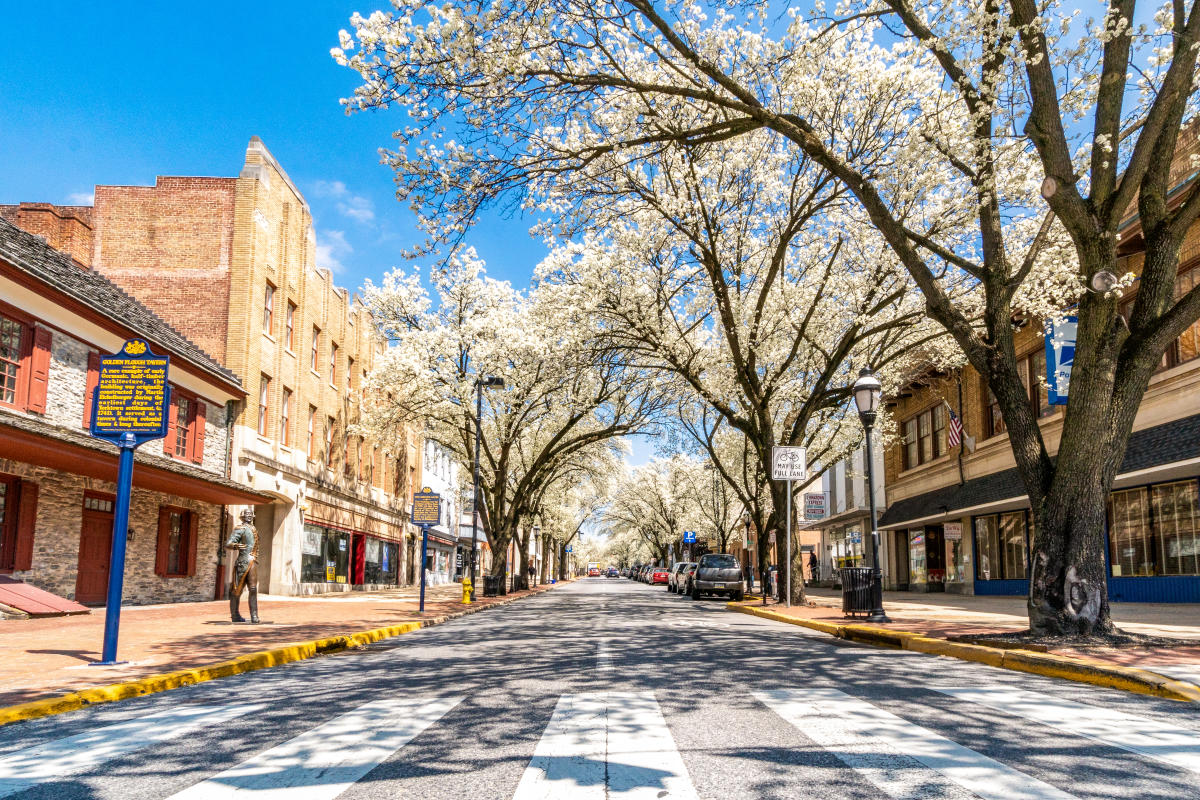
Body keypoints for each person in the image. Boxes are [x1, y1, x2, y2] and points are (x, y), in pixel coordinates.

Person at [226, 508, 260, 624]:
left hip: (253, 561)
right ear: (242, 516)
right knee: (237, 590)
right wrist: (237, 545)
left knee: (253, 588)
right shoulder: (240, 529)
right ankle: (235, 615)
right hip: (242, 561)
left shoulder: (253, 528)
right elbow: (228, 543)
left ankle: (254, 616)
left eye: (250, 514)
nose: (249, 516)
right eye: (246, 514)